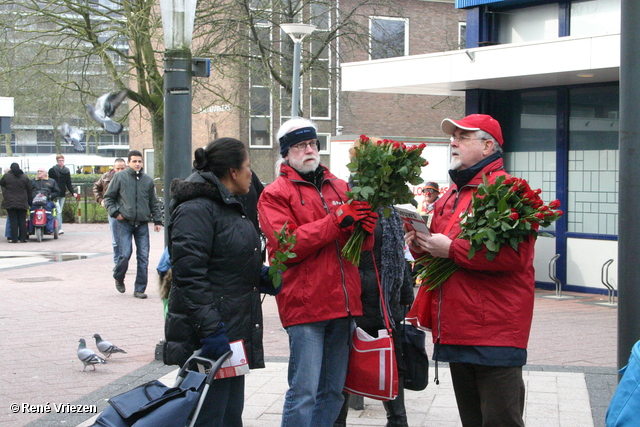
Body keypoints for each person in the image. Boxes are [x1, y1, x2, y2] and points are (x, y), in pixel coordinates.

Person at [405, 114, 535, 427]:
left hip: (494, 330)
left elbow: (514, 256)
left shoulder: (509, 191)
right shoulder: (451, 193)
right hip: (459, 325)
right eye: (454, 136)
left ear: (488, 145)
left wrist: (450, 249)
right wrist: (419, 243)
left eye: (463, 137)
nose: (454, 142)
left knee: (501, 421)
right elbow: (438, 253)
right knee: (473, 421)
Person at [258, 117, 377, 427]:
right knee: (304, 392)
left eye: (312, 144)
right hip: (305, 305)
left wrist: (366, 232)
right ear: (286, 153)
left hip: (343, 303)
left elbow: (358, 248)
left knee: (334, 392)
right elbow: (287, 247)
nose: (309, 150)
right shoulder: (274, 194)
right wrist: (337, 220)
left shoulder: (339, 185)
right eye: (300, 146)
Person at [164, 137, 265, 427]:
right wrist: (211, 332)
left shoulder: (229, 204)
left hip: (231, 329)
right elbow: (189, 275)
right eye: (247, 167)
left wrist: (260, 275)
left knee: (229, 416)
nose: (251, 174)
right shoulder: (196, 209)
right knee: (208, 416)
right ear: (232, 172)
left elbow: (226, 258)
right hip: (211, 335)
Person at [334, 206, 415, 427]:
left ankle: (397, 420)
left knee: (389, 364)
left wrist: (404, 293)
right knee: (346, 368)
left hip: (385, 302)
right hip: (359, 300)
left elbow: (400, 260)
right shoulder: (351, 208)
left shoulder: (390, 212)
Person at [103, 150, 162, 299]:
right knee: (125, 254)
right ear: (129, 162)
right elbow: (109, 198)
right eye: (134, 161)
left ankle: (139, 289)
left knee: (143, 257)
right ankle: (118, 276)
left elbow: (153, 202)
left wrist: (157, 220)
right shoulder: (119, 177)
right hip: (124, 222)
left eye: (139, 161)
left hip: (142, 224)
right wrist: (116, 213)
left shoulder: (147, 180)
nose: (137, 164)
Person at [92, 158, 127, 265]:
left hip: (127, 210)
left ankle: (124, 260)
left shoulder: (130, 177)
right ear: (113, 168)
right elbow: (96, 188)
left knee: (126, 240)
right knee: (116, 240)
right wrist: (100, 200)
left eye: (122, 168)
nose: (120, 171)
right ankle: (117, 264)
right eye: (118, 168)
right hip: (112, 210)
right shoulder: (106, 177)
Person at [1, 163, 32, 243]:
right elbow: (29, 189)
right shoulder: (24, 177)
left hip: (10, 202)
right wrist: (29, 201)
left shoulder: (6, 176)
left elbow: (2, 184)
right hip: (22, 201)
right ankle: (23, 238)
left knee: (13, 221)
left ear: (11, 168)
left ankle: (14, 238)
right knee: (22, 220)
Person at [48, 154, 76, 235]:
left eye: (62, 160)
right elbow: (50, 182)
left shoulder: (66, 171)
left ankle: (56, 227)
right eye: (60, 161)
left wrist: (73, 192)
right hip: (54, 194)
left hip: (62, 193)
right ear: (57, 161)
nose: (61, 162)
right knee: (58, 211)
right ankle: (59, 228)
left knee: (59, 211)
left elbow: (68, 183)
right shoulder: (52, 170)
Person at [30, 168, 60, 234]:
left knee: (48, 213)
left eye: (41, 171)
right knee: (32, 212)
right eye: (38, 171)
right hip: (35, 201)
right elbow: (28, 191)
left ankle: (49, 230)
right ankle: (30, 230)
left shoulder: (51, 181)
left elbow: (57, 192)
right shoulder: (32, 181)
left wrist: (50, 196)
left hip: (47, 201)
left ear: (45, 173)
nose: (39, 172)